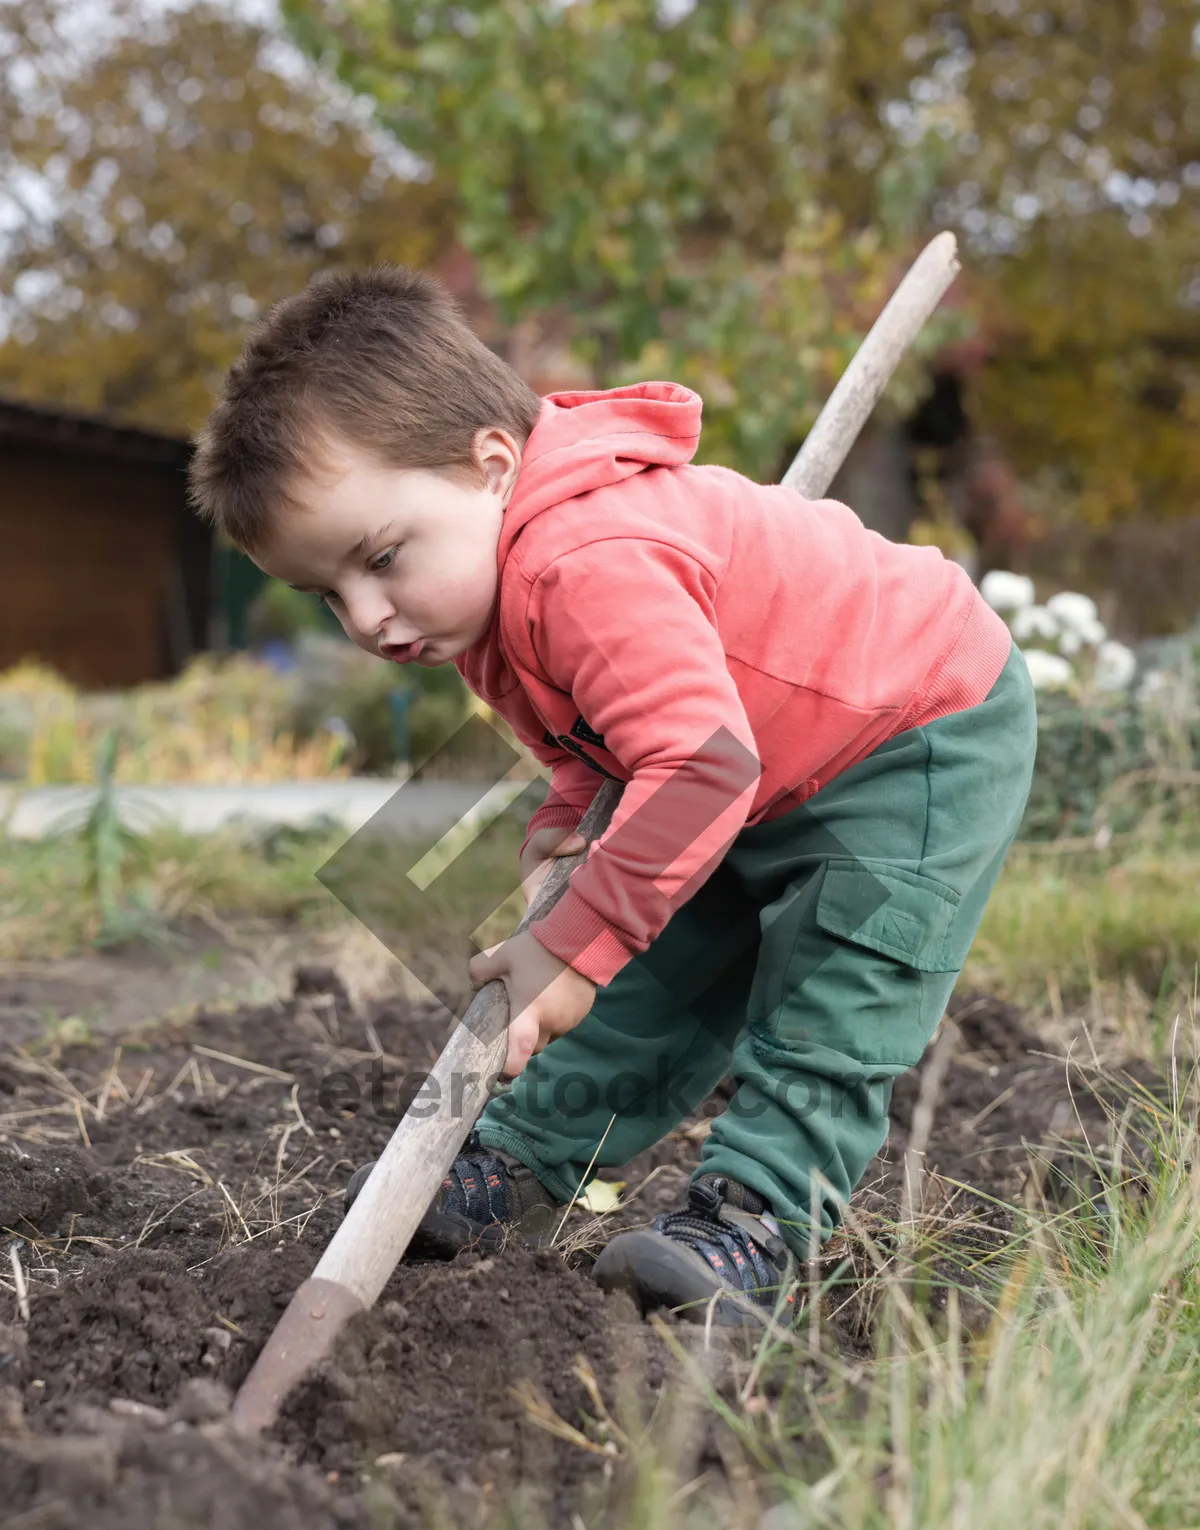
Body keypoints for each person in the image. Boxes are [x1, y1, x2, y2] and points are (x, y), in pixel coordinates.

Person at [189, 264, 1036, 1327]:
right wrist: (564, 842)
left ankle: (753, 1216)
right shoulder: (477, 598)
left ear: (490, 464)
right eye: (329, 596)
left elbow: (698, 767)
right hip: (748, 763)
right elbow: (602, 743)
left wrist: (564, 945)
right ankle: (522, 1167)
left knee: (835, 985)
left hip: (913, 725)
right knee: (659, 971)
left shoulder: (585, 557)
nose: (366, 619)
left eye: (381, 559)